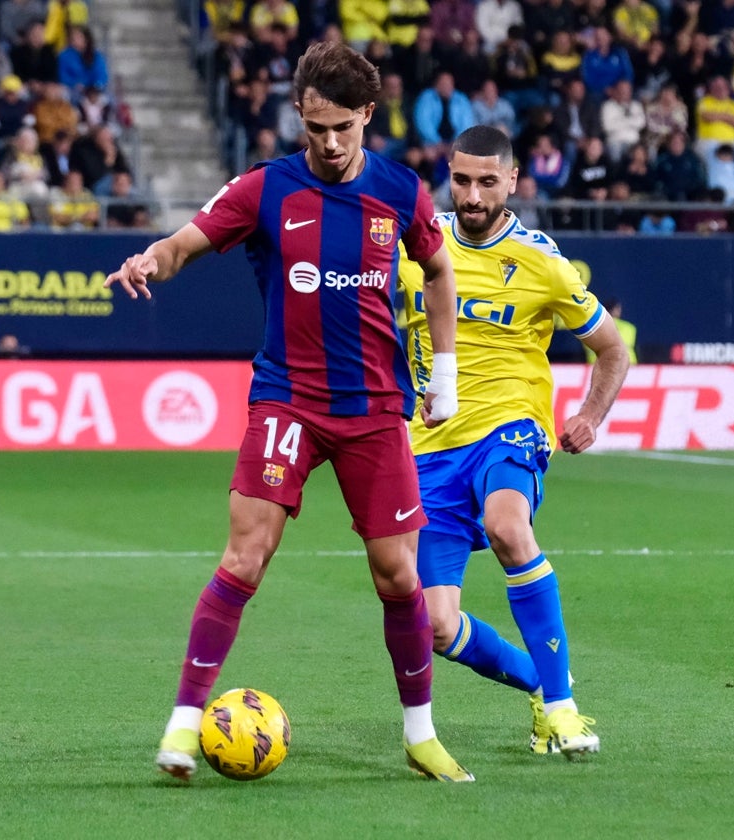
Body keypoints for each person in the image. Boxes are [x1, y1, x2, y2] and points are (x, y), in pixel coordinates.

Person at [103, 40, 471, 784]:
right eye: (314, 129)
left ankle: (420, 733)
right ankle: (180, 726)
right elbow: (183, 245)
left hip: (373, 408)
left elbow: (437, 268)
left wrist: (447, 376)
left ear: (368, 114)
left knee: (400, 577)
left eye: (342, 127)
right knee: (245, 555)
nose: (329, 144)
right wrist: (149, 261)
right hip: (288, 402)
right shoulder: (266, 189)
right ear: (298, 117)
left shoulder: (401, 192)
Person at [397, 125, 630, 759]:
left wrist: (590, 415)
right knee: (438, 624)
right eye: (462, 180)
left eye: (487, 182)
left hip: (511, 427)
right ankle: (540, 683)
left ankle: (563, 710)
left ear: (512, 183)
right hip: (430, 447)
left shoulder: (541, 262)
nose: (472, 195)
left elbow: (613, 349)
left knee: (507, 525)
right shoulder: (412, 246)